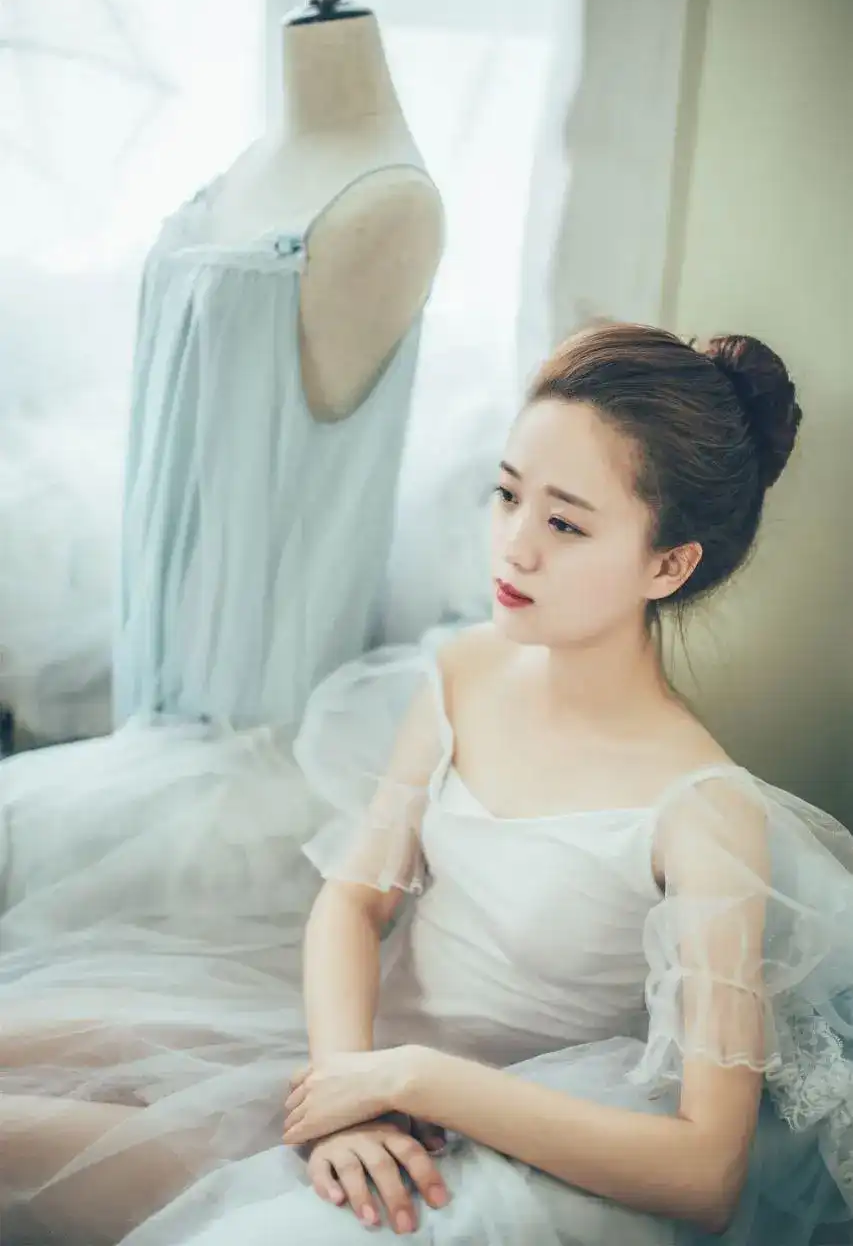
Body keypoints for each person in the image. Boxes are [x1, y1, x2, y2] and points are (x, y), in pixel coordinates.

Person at [2, 322, 852, 1246]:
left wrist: (414, 1081)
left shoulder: (702, 812)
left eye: (564, 523)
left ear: (667, 563)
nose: (514, 548)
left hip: (490, 1137)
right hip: (338, 1051)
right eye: (508, 495)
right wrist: (345, 1088)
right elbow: (353, 899)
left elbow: (706, 1173)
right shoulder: (467, 671)